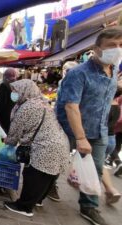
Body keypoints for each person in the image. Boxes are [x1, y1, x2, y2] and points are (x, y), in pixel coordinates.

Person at [56, 27, 122, 225]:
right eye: (112, 45)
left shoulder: (113, 71)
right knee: (56, 162)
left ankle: (89, 207)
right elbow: (71, 106)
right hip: (70, 128)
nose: (117, 49)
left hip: (100, 129)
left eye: (120, 45)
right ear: (97, 48)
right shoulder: (78, 73)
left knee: (96, 169)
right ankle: (49, 186)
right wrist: (81, 137)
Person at [4, 79, 69, 217]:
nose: (14, 94)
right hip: (60, 143)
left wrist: (8, 142)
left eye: (16, 91)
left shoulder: (27, 107)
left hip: (45, 147)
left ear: (25, 91)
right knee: (48, 176)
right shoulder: (41, 102)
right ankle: (37, 200)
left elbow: (15, 131)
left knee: (33, 176)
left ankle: (24, 207)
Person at [0, 68, 18, 134]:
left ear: (5, 76)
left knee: (2, 133)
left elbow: (0, 102)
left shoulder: (4, 85)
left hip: (5, 114)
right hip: (14, 113)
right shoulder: (17, 85)